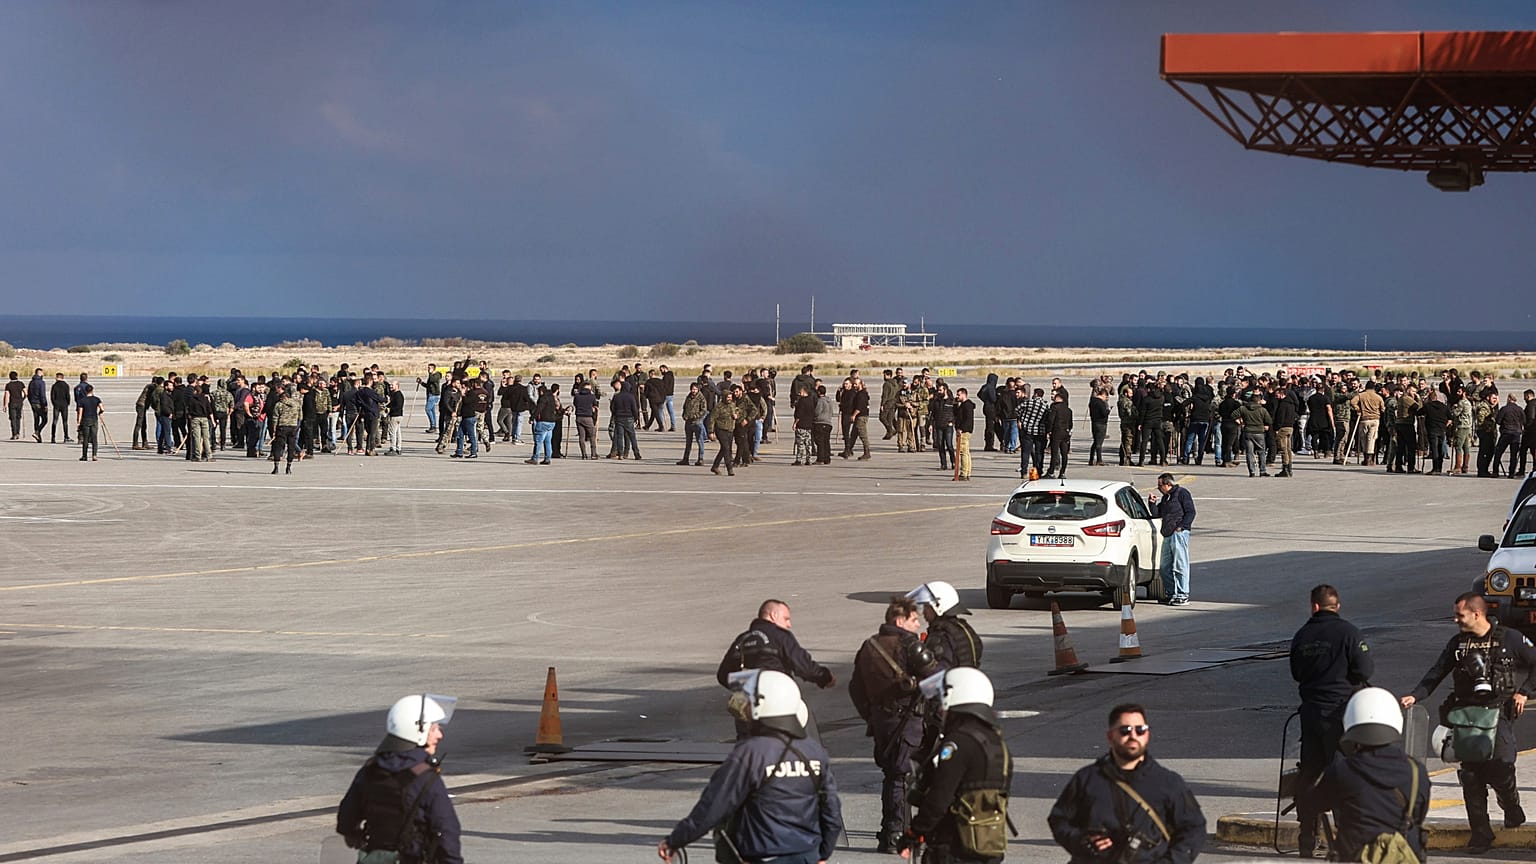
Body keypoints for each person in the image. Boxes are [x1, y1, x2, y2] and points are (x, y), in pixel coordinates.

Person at [658, 670, 842, 864]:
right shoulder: (814, 751)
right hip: (807, 855)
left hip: (762, 856)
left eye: (749, 700)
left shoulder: (750, 753)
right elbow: (831, 810)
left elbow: (713, 807)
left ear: (762, 705)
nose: (744, 706)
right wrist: (823, 853)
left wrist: (675, 841)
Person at [1401, 593, 1536, 853]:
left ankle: (1511, 806)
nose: (1455, 620)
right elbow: (1437, 671)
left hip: (1498, 713)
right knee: (1472, 776)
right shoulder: (1458, 644)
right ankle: (1481, 834)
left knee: (1502, 767)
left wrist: (1524, 692)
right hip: (1466, 716)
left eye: (1459, 615)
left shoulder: (1510, 638)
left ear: (1476, 614)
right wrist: (1416, 695)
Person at [1047, 703, 1207, 864]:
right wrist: (1082, 842)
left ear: (1147, 735)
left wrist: (1171, 861)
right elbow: (1059, 819)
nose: (1133, 736)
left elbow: (1193, 827)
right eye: (1125, 731)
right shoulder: (1087, 779)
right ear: (1110, 736)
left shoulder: (1167, 782)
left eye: (1140, 730)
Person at [1289, 585, 1374, 858]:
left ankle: (1306, 836)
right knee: (1342, 774)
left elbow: (1296, 673)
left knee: (1310, 774)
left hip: (1311, 714)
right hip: (1340, 715)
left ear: (1314, 606)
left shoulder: (1302, 635)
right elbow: (1365, 669)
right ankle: (1344, 837)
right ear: (1337, 605)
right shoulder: (1349, 633)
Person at [850, 595, 939, 852]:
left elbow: (855, 688)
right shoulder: (909, 645)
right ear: (899, 621)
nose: (917, 625)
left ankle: (891, 831)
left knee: (892, 775)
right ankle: (897, 833)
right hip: (907, 720)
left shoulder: (869, 646)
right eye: (913, 620)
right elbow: (935, 678)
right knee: (903, 777)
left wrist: (871, 714)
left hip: (881, 720)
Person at [900, 667, 1012, 863]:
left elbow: (940, 796)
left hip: (953, 846)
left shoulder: (958, 743)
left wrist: (914, 833)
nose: (940, 710)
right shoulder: (996, 743)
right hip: (987, 843)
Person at [337, 693, 463, 864]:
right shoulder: (425, 778)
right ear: (418, 730)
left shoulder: (370, 770)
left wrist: (354, 835)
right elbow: (447, 829)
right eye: (434, 729)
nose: (439, 735)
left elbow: (346, 817)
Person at [1312, 688, 1429, 864]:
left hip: (1355, 855)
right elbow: (1419, 813)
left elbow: (1315, 802)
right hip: (1403, 855)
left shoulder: (1343, 770)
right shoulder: (1415, 770)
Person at [717, 600, 836, 739]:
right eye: (786, 619)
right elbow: (803, 665)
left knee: (747, 747)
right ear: (773, 615)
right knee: (802, 739)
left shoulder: (741, 640)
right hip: (778, 703)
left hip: (747, 707)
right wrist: (824, 677)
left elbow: (723, 675)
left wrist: (745, 686)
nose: (789, 624)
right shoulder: (779, 636)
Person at [1148, 473, 1195, 606]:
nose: (1158, 488)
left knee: (1180, 564)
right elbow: (1157, 514)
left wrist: (1182, 527)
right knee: (1164, 567)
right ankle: (1171, 592)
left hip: (1178, 534)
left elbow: (1191, 512)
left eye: (1160, 485)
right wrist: (1152, 503)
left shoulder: (1182, 493)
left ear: (1168, 484)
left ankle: (1182, 594)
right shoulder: (1165, 498)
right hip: (1167, 534)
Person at [75, 383, 103, 461]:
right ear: (92, 391)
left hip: (85, 420)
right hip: (94, 420)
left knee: (86, 438)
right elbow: (102, 408)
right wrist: (100, 412)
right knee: (94, 438)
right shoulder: (97, 399)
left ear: (85, 391)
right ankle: (94, 455)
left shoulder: (82, 401)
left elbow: (80, 412)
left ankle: (84, 456)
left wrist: (78, 422)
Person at [955, 387, 975, 480]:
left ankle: (963, 473)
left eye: (959, 395)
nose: (957, 396)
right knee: (966, 452)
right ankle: (967, 472)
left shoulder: (967, 405)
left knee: (962, 452)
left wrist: (961, 428)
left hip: (964, 431)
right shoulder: (962, 405)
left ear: (964, 394)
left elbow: (967, 419)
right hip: (965, 430)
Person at [49, 372, 72, 444]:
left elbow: (52, 397)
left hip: (56, 405)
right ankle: (66, 436)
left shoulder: (54, 386)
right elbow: (68, 396)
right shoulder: (66, 385)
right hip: (64, 404)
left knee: (55, 421)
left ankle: (53, 437)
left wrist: (54, 403)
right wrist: (68, 403)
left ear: (58, 377)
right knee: (65, 421)